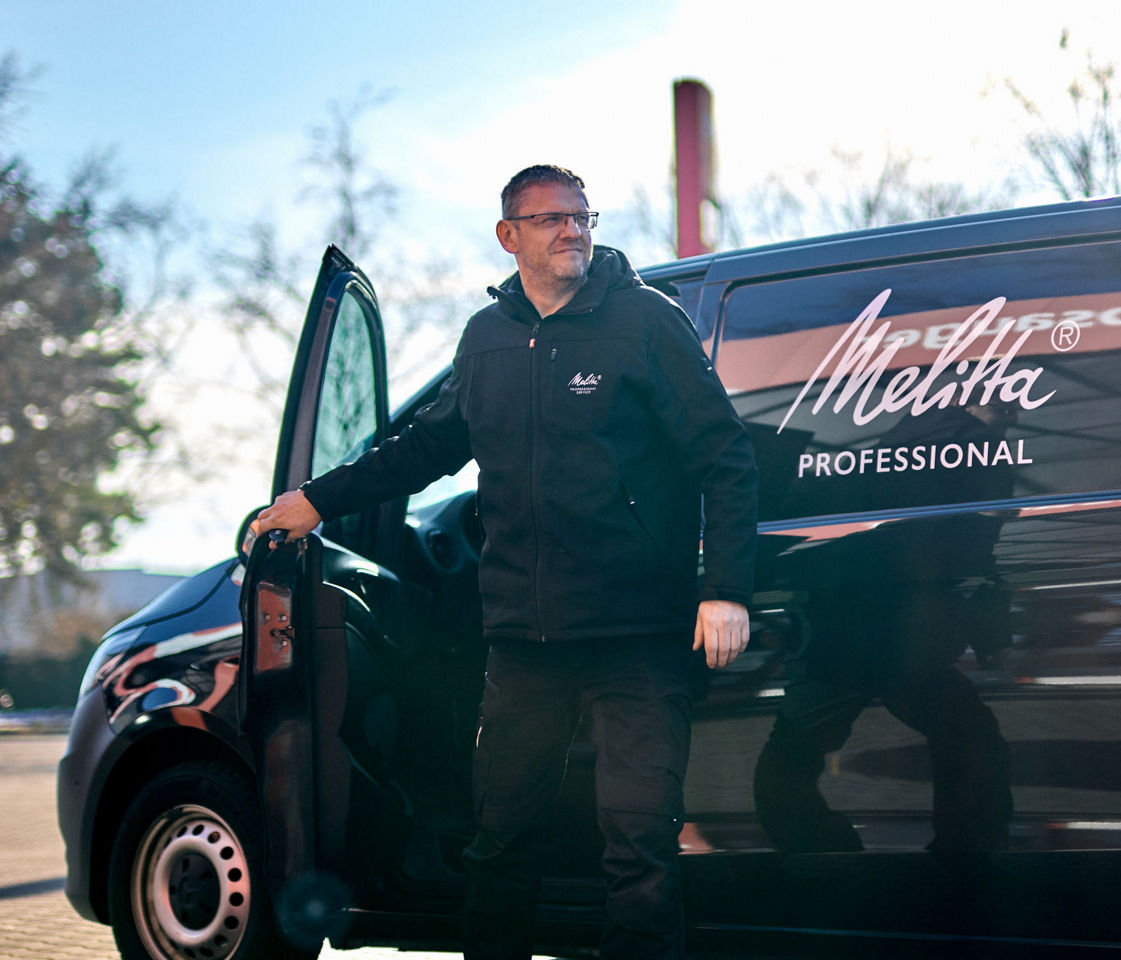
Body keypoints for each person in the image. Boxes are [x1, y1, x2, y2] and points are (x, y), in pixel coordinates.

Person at [250, 164, 759, 960]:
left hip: (637, 638)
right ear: (509, 236)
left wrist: (724, 588)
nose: (573, 230)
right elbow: (422, 448)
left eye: (582, 216)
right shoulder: (486, 339)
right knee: (500, 845)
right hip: (525, 645)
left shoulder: (644, 323)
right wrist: (318, 499)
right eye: (552, 219)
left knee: (639, 852)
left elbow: (725, 457)